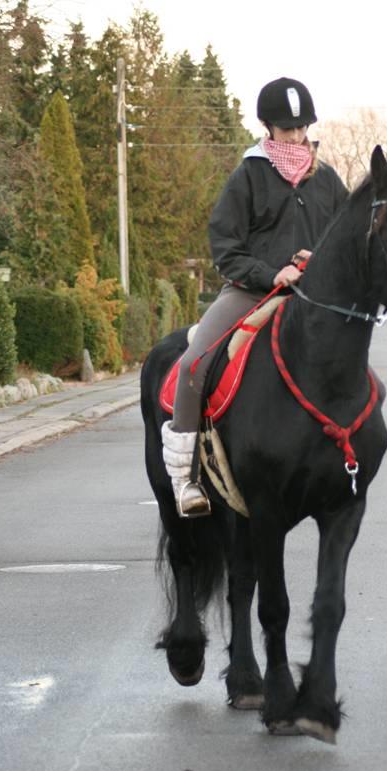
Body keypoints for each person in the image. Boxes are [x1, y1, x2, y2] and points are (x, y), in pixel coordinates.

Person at [162, 76, 348, 518]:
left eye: (303, 129)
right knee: (194, 362)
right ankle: (185, 480)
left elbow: (343, 239)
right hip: (251, 292)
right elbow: (226, 247)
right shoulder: (248, 175)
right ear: (268, 128)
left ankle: (347, 460)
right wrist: (271, 273)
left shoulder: (327, 180)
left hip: (313, 299)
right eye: (289, 130)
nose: (299, 138)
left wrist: (316, 258)